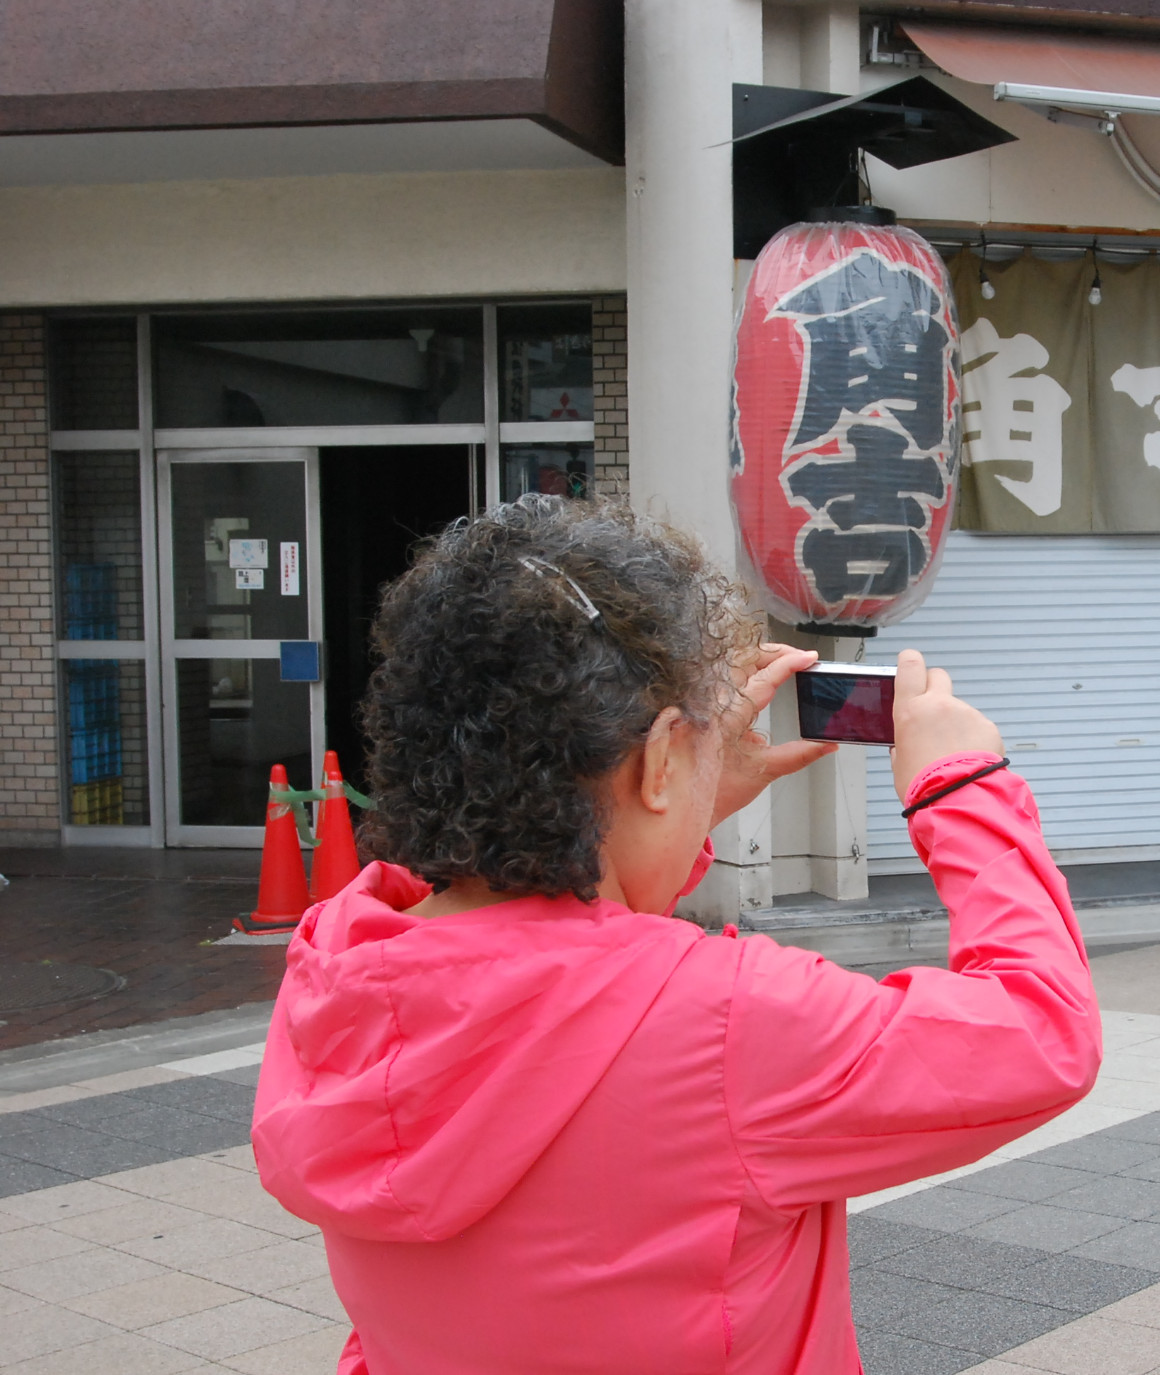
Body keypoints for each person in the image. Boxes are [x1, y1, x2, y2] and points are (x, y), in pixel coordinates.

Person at [251, 496, 1101, 1374]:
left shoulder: (342, 969)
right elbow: (1040, 1033)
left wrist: (683, 802)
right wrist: (963, 788)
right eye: (695, 749)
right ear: (657, 759)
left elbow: (560, 990)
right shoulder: (728, 1019)